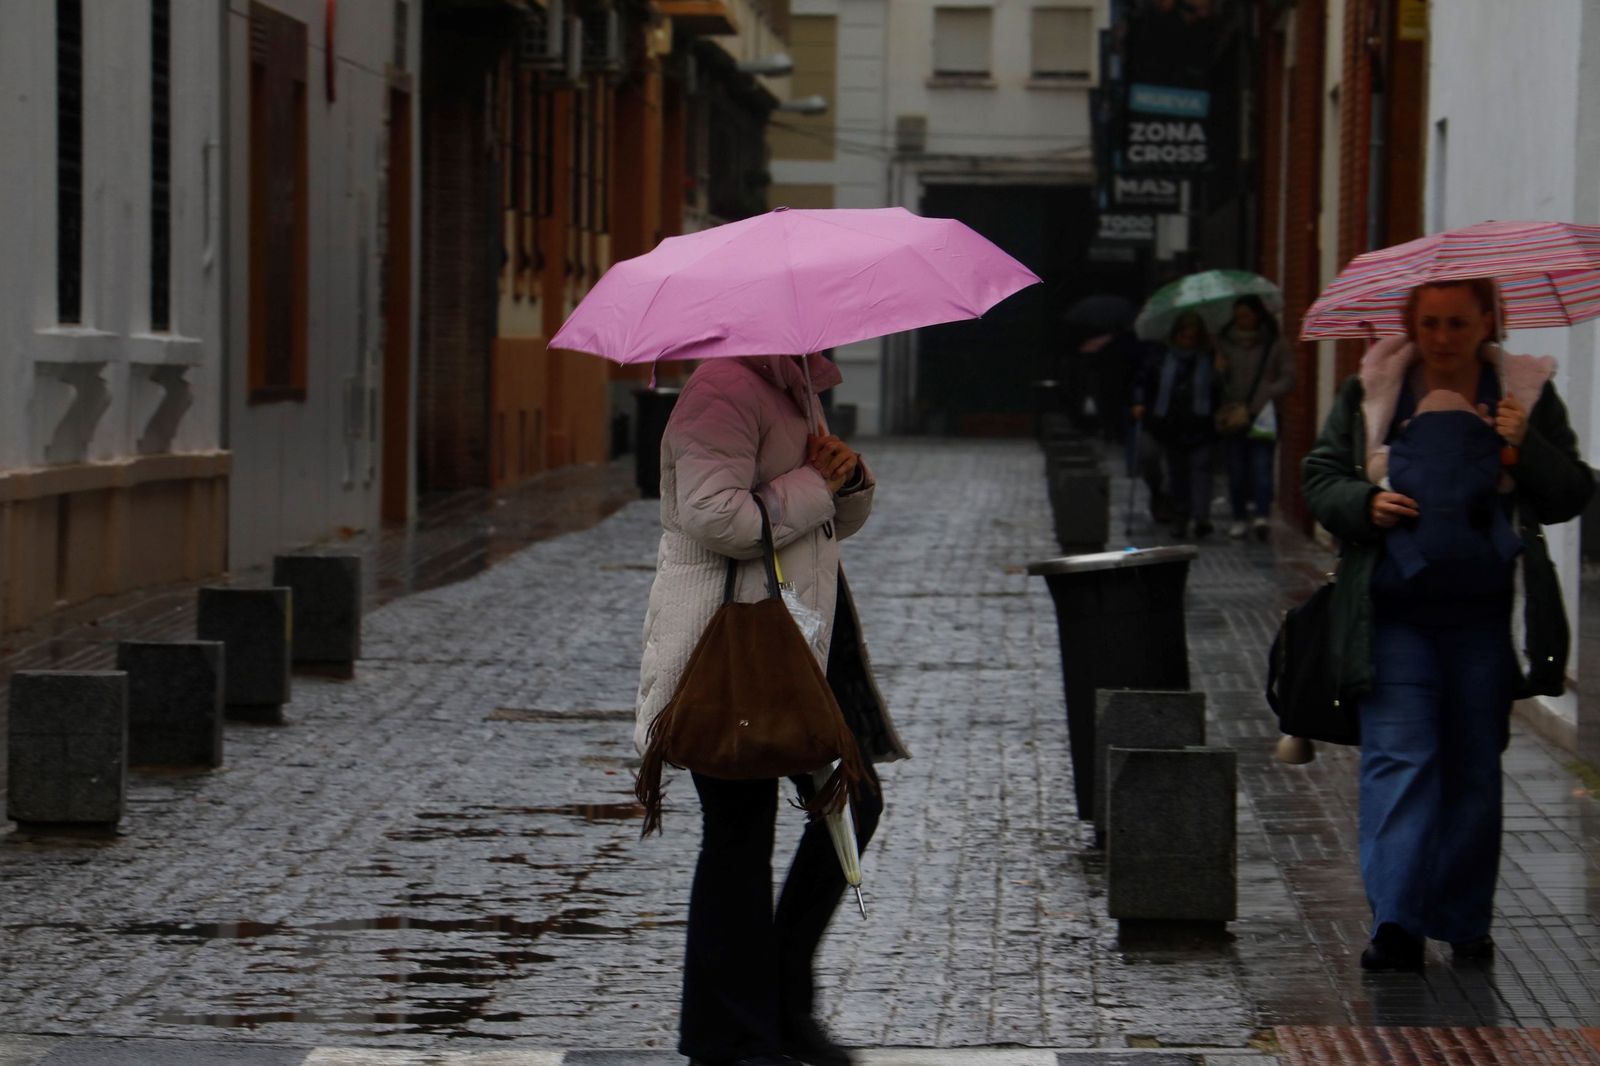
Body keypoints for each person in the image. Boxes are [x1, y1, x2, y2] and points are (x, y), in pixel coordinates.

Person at [1301, 278, 1593, 971]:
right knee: (1399, 758)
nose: (1441, 338)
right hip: (1392, 612)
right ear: (1410, 322)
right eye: (1429, 322)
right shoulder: (1372, 389)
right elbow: (1321, 476)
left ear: (1489, 322)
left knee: (1471, 767)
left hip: (1481, 618)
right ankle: (1397, 921)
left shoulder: (1524, 393)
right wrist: (1363, 502)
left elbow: (1572, 495)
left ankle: (1463, 919)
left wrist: (1525, 450)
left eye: (1458, 323)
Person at [635, 352, 910, 1065]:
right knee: (738, 835)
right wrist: (816, 481)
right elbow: (713, 514)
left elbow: (824, 524)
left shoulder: (794, 388)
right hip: (735, 647)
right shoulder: (724, 389)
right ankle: (735, 1033)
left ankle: (776, 1007)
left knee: (854, 802)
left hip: (800, 635)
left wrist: (847, 477)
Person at [1215, 295, 1295, 540]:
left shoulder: (1274, 343)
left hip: (1264, 415)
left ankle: (1261, 516)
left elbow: (1289, 376)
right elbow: (1216, 384)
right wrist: (1218, 369)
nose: (1243, 320)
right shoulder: (1224, 343)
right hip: (1234, 413)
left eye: (1247, 315)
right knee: (1236, 470)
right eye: (1238, 316)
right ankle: (1239, 517)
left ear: (1258, 315)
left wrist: (1268, 391)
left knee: (1262, 468)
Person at [1135, 311, 1221, 538]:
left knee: (1201, 471)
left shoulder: (1209, 358)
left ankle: (1201, 517)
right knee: (1178, 474)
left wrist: (1221, 371)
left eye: (1192, 337)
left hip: (1201, 423)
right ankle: (1181, 516)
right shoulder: (1162, 358)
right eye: (1184, 337)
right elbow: (1147, 384)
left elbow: (1219, 391)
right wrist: (1141, 403)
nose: (1188, 342)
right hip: (1171, 425)